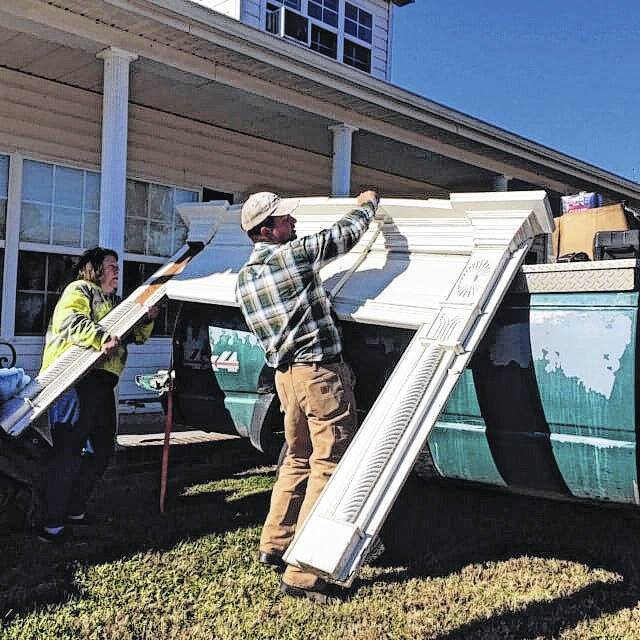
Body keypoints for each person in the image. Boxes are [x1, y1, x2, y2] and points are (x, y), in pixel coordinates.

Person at [235, 189, 380, 602]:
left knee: (297, 457)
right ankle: (305, 571)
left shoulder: (244, 280)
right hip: (319, 375)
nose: (293, 223)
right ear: (267, 230)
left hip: (286, 379)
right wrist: (368, 203)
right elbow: (345, 233)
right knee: (329, 464)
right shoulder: (291, 257)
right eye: (285, 220)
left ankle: (275, 543)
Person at [38, 247, 158, 543]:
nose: (117, 270)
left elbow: (139, 336)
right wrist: (102, 338)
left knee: (101, 450)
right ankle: (51, 523)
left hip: (103, 383)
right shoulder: (80, 290)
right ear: (94, 269)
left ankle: (75, 511)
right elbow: (70, 321)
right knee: (67, 450)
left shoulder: (118, 303)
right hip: (75, 380)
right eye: (111, 265)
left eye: (118, 266)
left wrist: (146, 317)